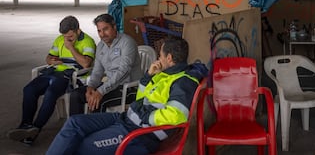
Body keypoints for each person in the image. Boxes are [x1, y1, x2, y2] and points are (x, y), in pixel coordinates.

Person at [46, 37, 208, 155]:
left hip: (140, 135)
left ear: (169, 58)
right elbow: (141, 99)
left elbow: (176, 115)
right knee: (75, 123)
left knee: (82, 146)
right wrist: (148, 77)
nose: (158, 59)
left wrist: (144, 115)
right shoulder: (164, 74)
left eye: (160, 55)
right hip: (126, 119)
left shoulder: (183, 82)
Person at [7, 15, 96, 145]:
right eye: (65, 37)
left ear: (78, 30)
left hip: (70, 76)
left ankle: (35, 129)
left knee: (50, 94)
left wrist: (71, 48)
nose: (66, 39)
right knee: (29, 89)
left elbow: (86, 64)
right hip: (53, 72)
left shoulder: (88, 41)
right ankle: (25, 126)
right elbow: (49, 57)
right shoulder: (60, 39)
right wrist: (52, 60)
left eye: (70, 37)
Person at [69, 13, 140, 115]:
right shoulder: (101, 46)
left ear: (114, 27)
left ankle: (96, 130)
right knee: (76, 95)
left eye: (105, 29)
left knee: (97, 102)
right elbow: (97, 71)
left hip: (128, 88)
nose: (102, 34)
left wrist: (101, 91)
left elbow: (123, 72)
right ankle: (76, 128)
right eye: (99, 31)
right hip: (109, 86)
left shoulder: (127, 43)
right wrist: (90, 87)